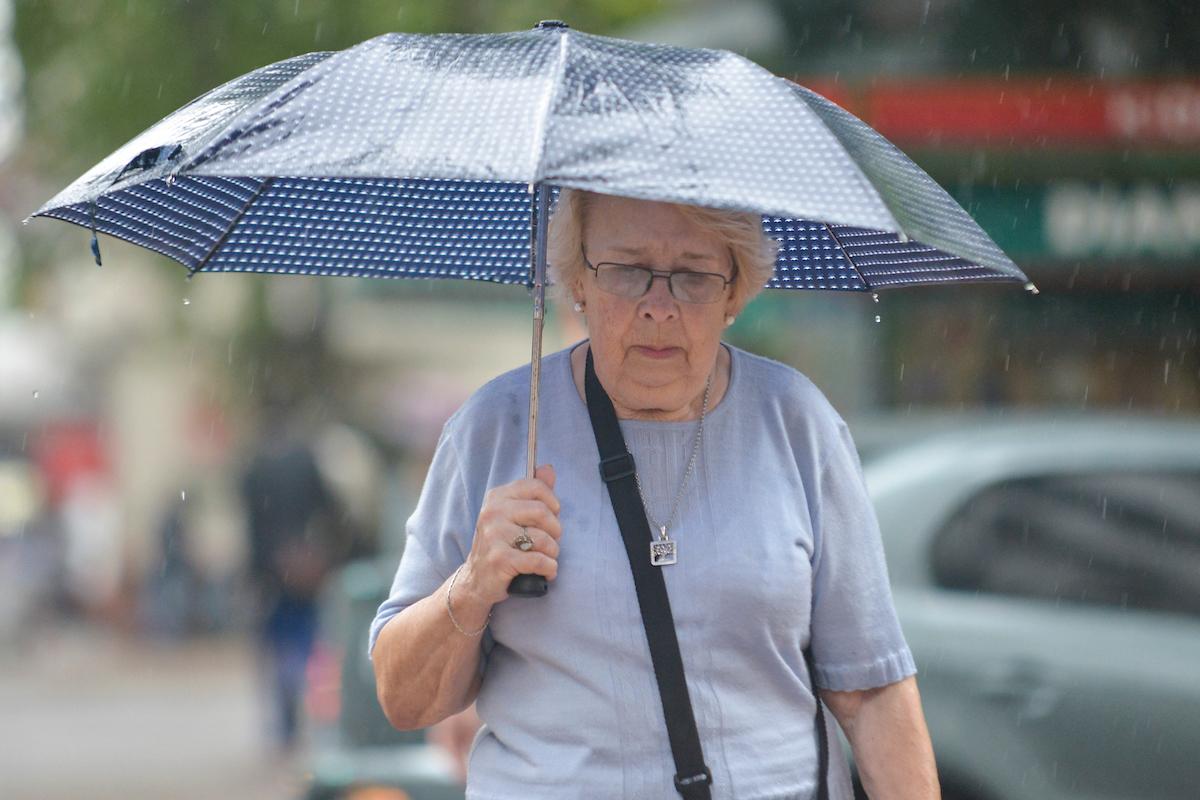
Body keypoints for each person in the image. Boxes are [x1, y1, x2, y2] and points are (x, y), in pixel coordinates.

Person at [369, 189, 940, 799]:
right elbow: (404, 699)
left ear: (733, 293)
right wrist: (475, 583)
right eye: (627, 272)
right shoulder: (499, 427)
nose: (658, 307)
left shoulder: (796, 422)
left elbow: (872, 690)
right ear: (578, 281)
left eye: (694, 276)